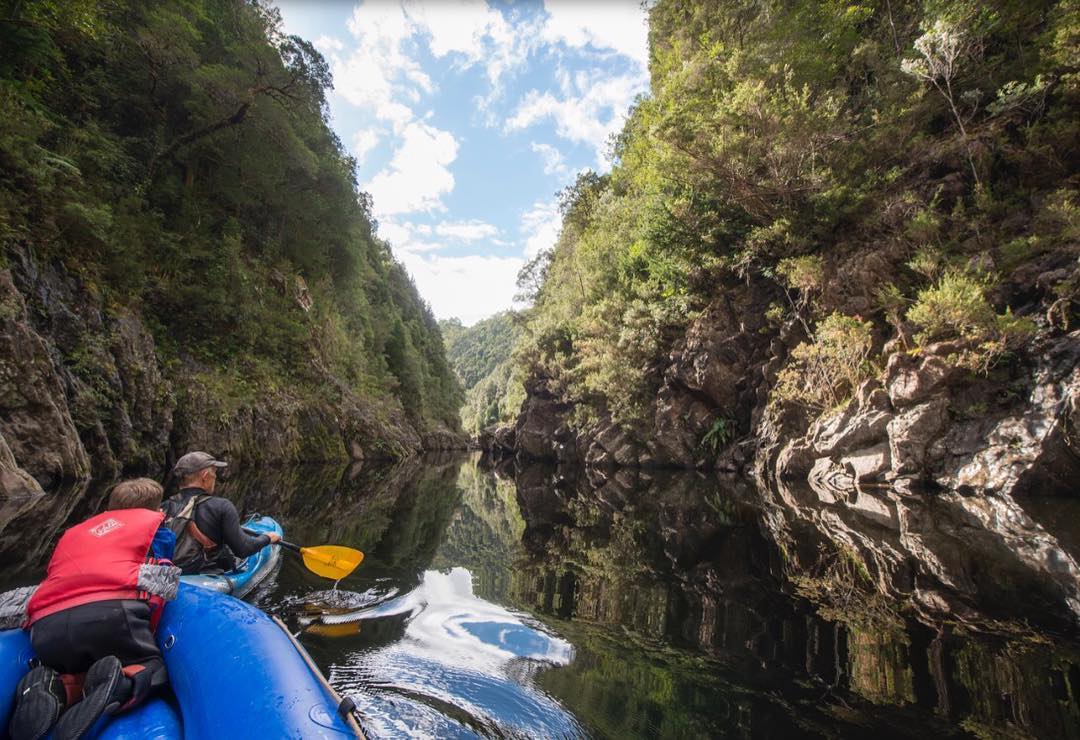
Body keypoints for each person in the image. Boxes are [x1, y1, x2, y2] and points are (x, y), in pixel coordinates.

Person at [9, 478, 180, 740]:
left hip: (47, 628)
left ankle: (54, 685)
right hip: (112, 617)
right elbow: (165, 573)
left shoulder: (75, 533)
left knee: (72, 663)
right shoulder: (157, 529)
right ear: (156, 511)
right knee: (154, 668)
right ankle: (121, 682)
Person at [160, 451, 280, 575]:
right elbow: (243, 549)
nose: (215, 477)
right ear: (205, 476)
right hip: (205, 577)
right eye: (214, 472)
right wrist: (267, 538)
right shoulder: (221, 506)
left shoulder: (163, 507)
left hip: (168, 573)